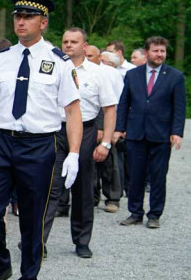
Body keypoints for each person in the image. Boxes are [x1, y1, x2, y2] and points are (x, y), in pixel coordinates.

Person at [0, 0, 81, 280]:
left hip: (38, 145)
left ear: (43, 22)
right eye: (17, 15)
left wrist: (73, 153)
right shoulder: (0, 60)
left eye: (28, 16)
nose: (20, 21)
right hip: (2, 141)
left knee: (32, 217)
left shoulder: (58, 62)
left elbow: (72, 111)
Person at [39, 28, 117, 258]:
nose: (68, 45)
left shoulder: (97, 73)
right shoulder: (51, 68)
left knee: (83, 188)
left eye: (74, 41)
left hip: (86, 131)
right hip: (55, 131)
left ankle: (82, 240)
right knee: (48, 188)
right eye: (65, 41)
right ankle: (38, 240)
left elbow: (110, 109)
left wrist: (106, 144)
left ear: (85, 46)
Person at [115, 36, 185, 228]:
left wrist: (176, 132)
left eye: (162, 51)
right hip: (136, 133)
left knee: (158, 176)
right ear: (147, 53)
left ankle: (154, 215)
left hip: (161, 134)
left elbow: (179, 108)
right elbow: (124, 104)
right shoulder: (132, 75)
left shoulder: (175, 76)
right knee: (136, 175)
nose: (159, 54)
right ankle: (135, 212)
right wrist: (119, 129)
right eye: (156, 51)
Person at [97, 50, 126, 212]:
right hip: (87, 118)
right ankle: (93, 195)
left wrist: (118, 127)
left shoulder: (111, 73)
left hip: (108, 115)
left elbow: (120, 100)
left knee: (110, 161)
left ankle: (113, 197)